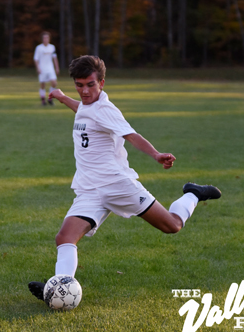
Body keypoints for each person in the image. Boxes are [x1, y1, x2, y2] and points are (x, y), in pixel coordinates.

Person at [28, 55, 221, 301]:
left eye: (90, 85)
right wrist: (64, 97)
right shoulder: (88, 106)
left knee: (172, 225)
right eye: (79, 85)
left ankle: (193, 193)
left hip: (117, 185)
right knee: (64, 237)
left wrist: (156, 154)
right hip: (90, 189)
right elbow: (84, 109)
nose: (84, 91)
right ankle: (59, 287)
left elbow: (131, 135)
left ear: (102, 83)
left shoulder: (106, 109)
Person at [33, 32, 60, 106]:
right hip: (42, 68)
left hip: (50, 68)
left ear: (49, 39)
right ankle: (43, 100)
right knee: (42, 84)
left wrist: (57, 68)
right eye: (44, 38)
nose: (46, 39)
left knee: (54, 83)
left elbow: (55, 58)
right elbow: (36, 59)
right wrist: (38, 68)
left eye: (47, 38)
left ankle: (50, 98)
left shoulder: (52, 47)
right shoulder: (39, 48)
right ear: (42, 39)